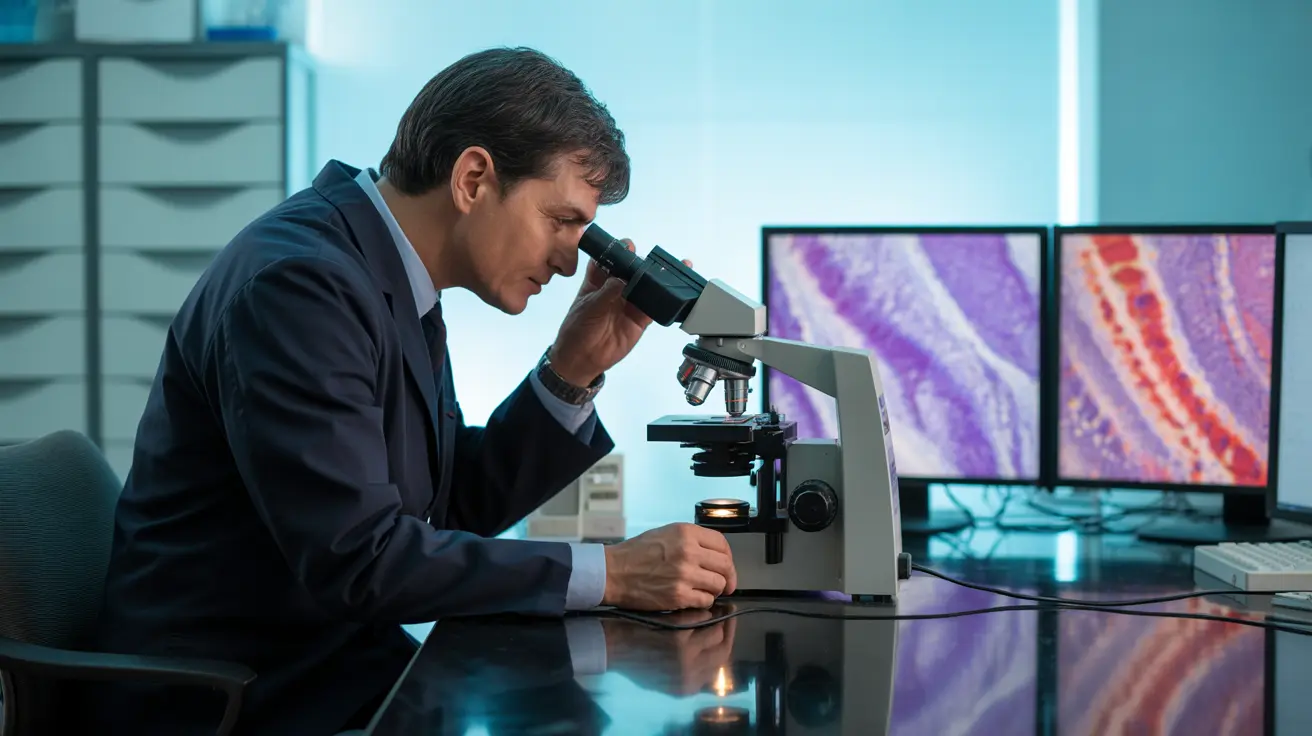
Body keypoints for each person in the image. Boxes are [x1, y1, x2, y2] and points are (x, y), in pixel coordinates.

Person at [86, 46, 738, 734]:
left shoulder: (385, 275)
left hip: (330, 664)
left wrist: (570, 371)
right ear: (473, 179)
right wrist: (613, 574)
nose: (570, 259)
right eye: (561, 219)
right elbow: (361, 558)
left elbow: (446, 505)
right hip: (235, 698)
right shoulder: (301, 286)